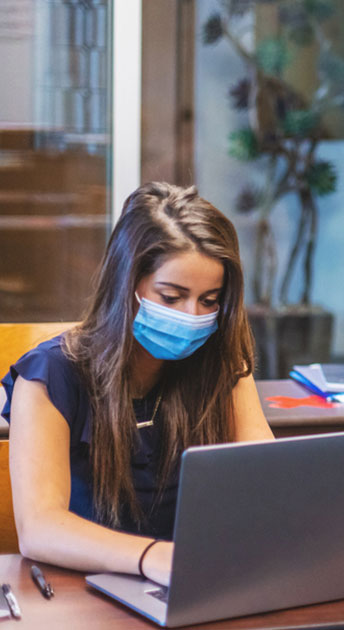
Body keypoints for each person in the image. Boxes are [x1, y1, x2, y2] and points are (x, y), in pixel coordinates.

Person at [2, 182, 275, 587]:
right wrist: (154, 557)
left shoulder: (221, 364)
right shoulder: (49, 375)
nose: (192, 316)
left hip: (196, 582)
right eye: (171, 297)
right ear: (126, 284)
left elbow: (271, 478)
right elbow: (40, 528)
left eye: (209, 300)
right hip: (87, 592)